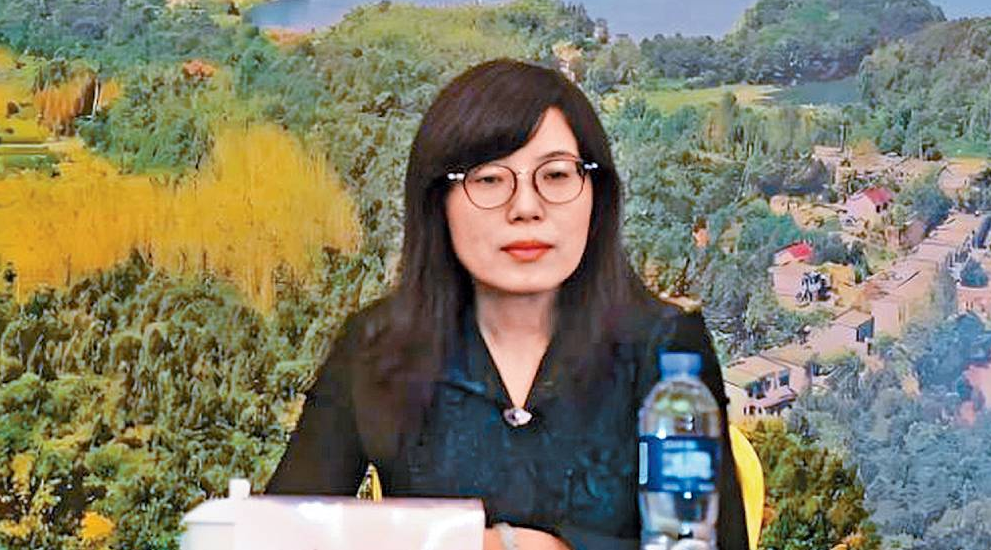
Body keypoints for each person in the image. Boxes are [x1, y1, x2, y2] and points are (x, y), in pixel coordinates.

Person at [266, 58, 749, 550]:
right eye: (489, 180)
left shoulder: (667, 348)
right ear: (438, 201)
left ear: (596, 194)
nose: (525, 208)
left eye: (556, 175)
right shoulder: (377, 345)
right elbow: (280, 535)